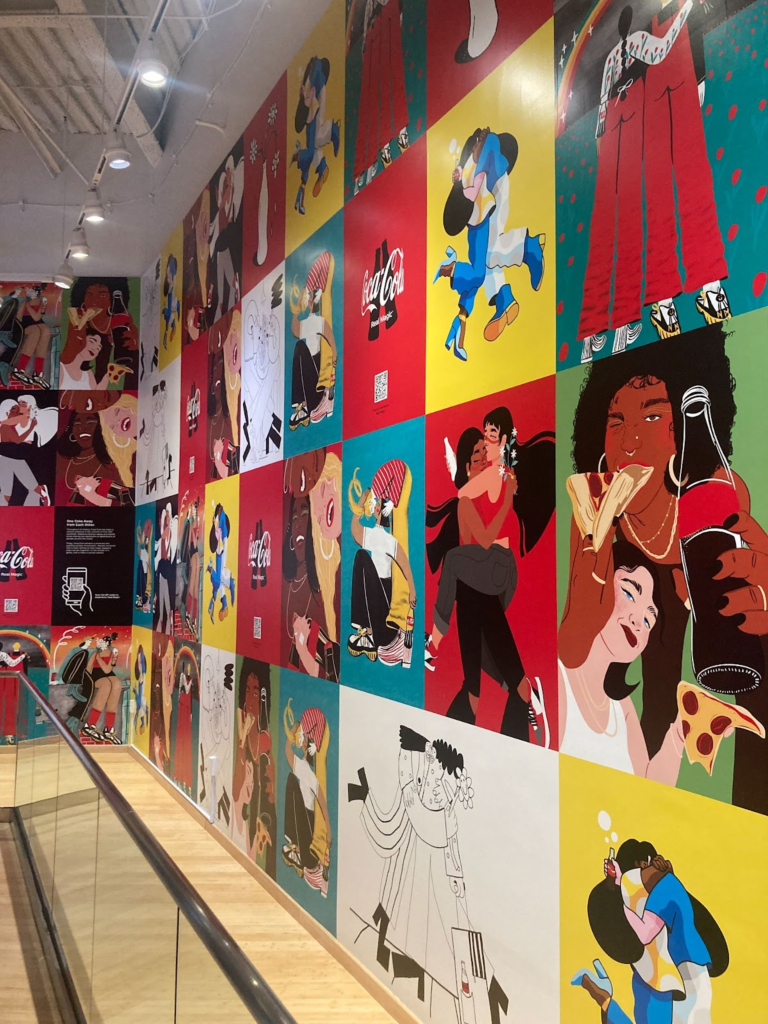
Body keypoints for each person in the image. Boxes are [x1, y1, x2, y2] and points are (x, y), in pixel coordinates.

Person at [564, 325, 768, 813]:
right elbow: (571, 647)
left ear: (682, 433)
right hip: (644, 593)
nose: (631, 440)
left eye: (653, 415)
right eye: (616, 421)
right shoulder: (597, 513)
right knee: (655, 699)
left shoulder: (716, 493)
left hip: (714, 604)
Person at [348, 724, 508, 1019]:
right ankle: (480, 993)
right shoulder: (442, 818)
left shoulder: (435, 819)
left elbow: (412, 798)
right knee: (418, 938)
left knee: (438, 943)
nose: (430, 789)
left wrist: (408, 759)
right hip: (423, 882)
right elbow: (445, 840)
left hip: (433, 889)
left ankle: (481, 995)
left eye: (438, 784)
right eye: (429, 778)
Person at [426, 406, 555, 738]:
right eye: (478, 452)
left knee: (455, 561)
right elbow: (472, 541)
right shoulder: (473, 495)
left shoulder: (499, 476)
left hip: (497, 568)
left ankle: (435, 641)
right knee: (480, 660)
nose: (485, 451)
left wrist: (504, 496)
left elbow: (482, 540)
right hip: (482, 577)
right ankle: (522, 692)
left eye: (488, 442)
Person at [578, 1, 693, 350]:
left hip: (611, 130)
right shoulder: (638, 43)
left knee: (605, 230)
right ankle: (623, 320)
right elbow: (662, 49)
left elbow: (602, 103)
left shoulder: (612, 57)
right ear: (633, 26)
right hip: (629, 121)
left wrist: (601, 138)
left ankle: (593, 332)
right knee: (629, 224)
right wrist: (686, 9)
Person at [559, 535, 686, 782]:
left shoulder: (622, 707)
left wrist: (681, 732)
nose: (639, 622)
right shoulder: (559, 681)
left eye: (649, 620)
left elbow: (648, 787)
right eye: (629, 593)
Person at [574, 838, 728, 1022]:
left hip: (682, 981)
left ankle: (606, 1001)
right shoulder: (647, 982)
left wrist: (606, 1003)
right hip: (662, 983)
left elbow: (645, 932)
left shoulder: (663, 890)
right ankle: (607, 1001)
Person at [433, 127, 545, 360]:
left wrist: (461, 183)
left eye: (476, 146)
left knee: (489, 253)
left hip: (496, 193)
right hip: (485, 205)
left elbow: (475, 188)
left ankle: (528, 248)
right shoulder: (471, 168)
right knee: (485, 260)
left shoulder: (486, 152)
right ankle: (503, 299)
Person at [347, 459, 417, 667]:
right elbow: (355, 529)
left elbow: (404, 564)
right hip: (377, 622)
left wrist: (412, 591)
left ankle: (367, 631)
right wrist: (362, 502)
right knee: (361, 557)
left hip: (385, 623)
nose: (375, 506)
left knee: (362, 557)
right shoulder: (374, 536)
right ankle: (365, 631)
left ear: (383, 511)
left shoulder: (388, 540)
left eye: (378, 504)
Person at [283, 451, 341, 681]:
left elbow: (329, 676)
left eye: (305, 514)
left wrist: (301, 647)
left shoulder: (326, 588)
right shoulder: (294, 586)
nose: (298, 524)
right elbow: (291, 668)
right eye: (294, 518)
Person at [348, 0, 409, 192]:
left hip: (388, 16)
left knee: (394, 77)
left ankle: (399, 134)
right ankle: (365, 162)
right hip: (372, 32)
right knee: (369, 102)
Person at [282, 699, 332, 896]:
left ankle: (298, 849)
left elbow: (323, 804)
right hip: (304, 829)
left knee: (292, 783)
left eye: (305, 739)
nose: (301, 741)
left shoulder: (309, 773)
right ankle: (295, 845)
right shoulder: (303, 768)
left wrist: (328, 831)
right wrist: (295, 728)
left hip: (308, 836)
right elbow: (288, 751)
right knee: (291, 781)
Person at [57, 392, 136, 507]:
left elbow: (128, 503)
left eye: (90, 422)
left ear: (102, 428)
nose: (83, 427)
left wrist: (100, 500)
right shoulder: (60, 462)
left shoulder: (115, 465)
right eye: (77, 423)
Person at [288, 252, 337, 430]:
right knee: (299, 346)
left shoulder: (320, 321)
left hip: (318, 384)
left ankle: (313, 402)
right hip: (308, 385)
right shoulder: (306, 323)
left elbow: (331, 341)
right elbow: (295, 330)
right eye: (308, 297)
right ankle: (301, 404)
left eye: (311, 296)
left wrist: (333, 357)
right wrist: (295, 312)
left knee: (300, 346)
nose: (309, 300)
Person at [61, 278, 136, 389]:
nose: (95, 300)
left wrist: (132, 344)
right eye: (89, 294)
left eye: (102, 295)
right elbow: (67, 357)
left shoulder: (121, 318)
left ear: (112, 299)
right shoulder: (78, 318)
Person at [290, 56, 341, 215]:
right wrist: (303, 181)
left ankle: (333, 129)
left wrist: (298, 157)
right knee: (314, 144)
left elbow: (317, 72)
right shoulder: (307, 104)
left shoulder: (314, 81)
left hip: (318, 95)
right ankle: (322, 167)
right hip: (315, 102)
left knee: (314, 142)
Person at [0, 396, 52, 506]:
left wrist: (31, 427)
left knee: (31, 488)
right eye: (18, 405)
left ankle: (38, 493)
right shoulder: (11, 423)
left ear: (30, 405)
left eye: (22, 403)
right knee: (6, 494)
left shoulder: (25, 417)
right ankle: (39, 491)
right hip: (6, 457)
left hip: (16, 455)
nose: (19, 407)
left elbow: (16, 438)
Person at [14, 285, 52, 386]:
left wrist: (29, 307)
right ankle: (20, 369)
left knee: (46, 331)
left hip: (37, 322)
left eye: (31, 291)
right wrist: (27, 306)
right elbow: (18, 317)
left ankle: (38, 373)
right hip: (27, 324)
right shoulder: (25, 303)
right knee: (35, 332)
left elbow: (37, 318)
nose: (29, 292)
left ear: (36, 293)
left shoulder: (41, 302)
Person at [207, 502, 236, 622]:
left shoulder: (220, 519)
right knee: (218, 580)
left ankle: (229, 582)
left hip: (221, 548)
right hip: (221, 547)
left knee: (218, 579)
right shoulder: (220, 519)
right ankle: (224, 603)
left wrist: (214, 524)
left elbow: (219, 536)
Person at [155, 503, 177, 634]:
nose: (167, 518)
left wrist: (167, 525)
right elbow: (161, 539)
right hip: (162, 567)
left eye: (168, 516)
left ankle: (168, 622)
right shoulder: (163, 531)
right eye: (166, 516)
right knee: (161, 596)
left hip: (168, 568)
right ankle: (161, 621)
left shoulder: (170, 530)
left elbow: (165, 537)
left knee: (167, 597)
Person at [173, 659, 194, 795]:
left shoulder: (186, 680)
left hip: (185, 708)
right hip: (183, 707)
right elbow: (185, 689)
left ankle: (183, 779)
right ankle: (180, 777)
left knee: (185, 743)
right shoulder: (182, 679)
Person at [0, 642, 26, 744]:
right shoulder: (3, 655)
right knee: (7, 706)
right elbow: (13, 663)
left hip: (3, 681)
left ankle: (8, 734)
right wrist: (23, 656)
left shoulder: (3, 655)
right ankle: (8, 735)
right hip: (3, 680)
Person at [161, 254, 181, 352]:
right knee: (168, 316)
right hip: (171, 305)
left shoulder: (172, 285)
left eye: (170, 272)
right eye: (167, 271)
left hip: (172, 305)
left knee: (168, 316)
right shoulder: (169, 286)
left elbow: (171, 286)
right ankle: (168, 331)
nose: (168, 274)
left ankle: (168, 331)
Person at [132, 643, 149, 736]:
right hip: (142, 675)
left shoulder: (140, 655)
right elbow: (140, 665)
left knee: (140, 708)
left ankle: (141, 724)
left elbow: (140, 665)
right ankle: (142, 724)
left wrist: (141, 675)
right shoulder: (141, 655)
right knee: (141, 708)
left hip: (142, 675)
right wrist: (141, 675)